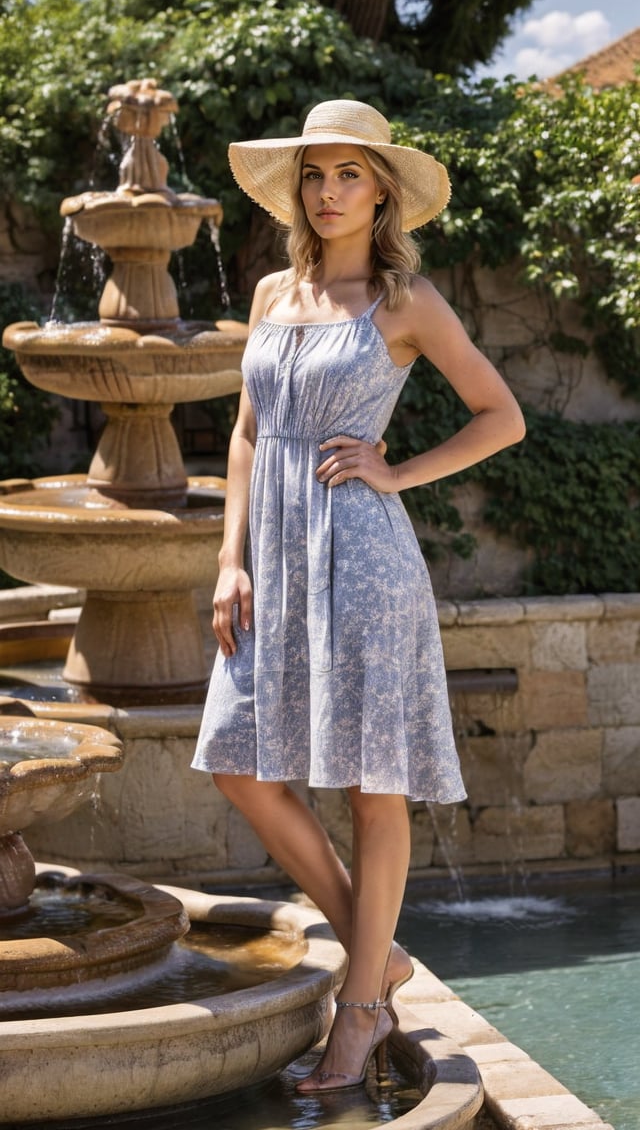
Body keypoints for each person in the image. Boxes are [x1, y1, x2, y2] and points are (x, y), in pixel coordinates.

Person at [192, 99, 525, 1093]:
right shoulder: (268, 292)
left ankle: (359, 1010)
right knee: (240, 765)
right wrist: (229, 559)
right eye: (314, 174)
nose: (327, 191)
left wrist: (397, 472)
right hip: (272, 561)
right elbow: (248, 435)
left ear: (381, 189)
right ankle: (374, 954)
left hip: (363, 558)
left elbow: (499, 417)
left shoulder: (404, 302)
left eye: (347, 173)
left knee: (373, 787)